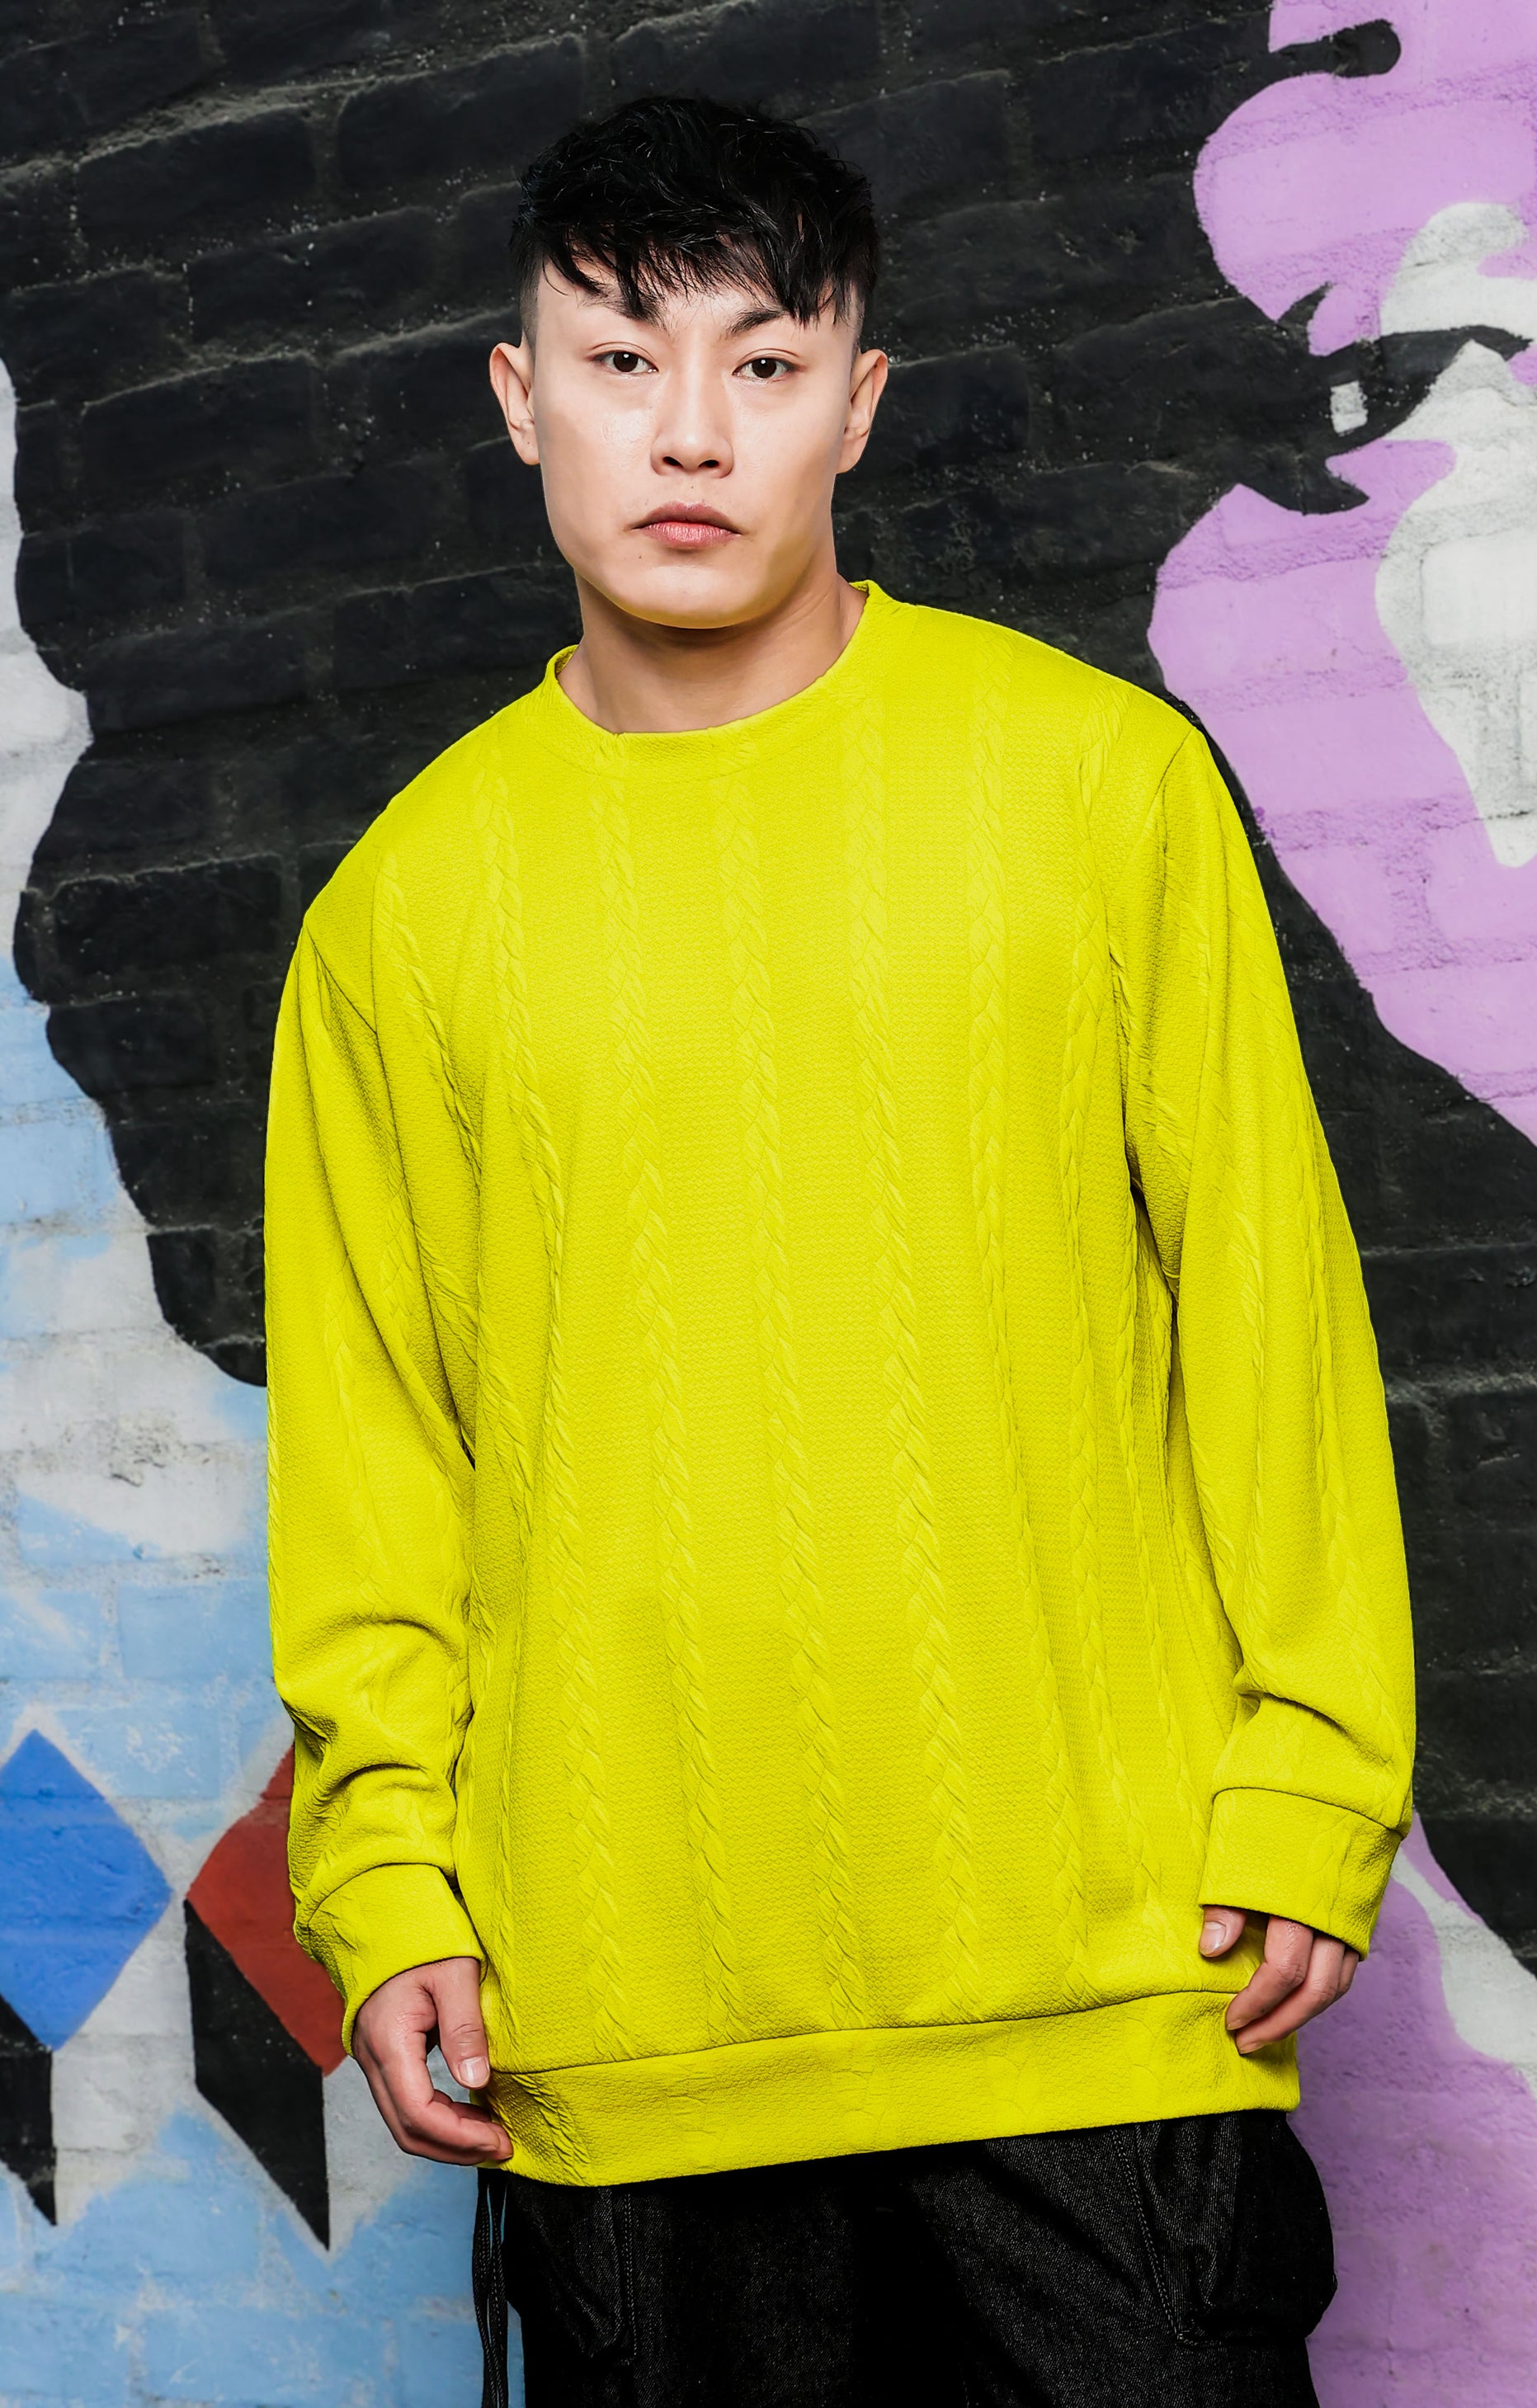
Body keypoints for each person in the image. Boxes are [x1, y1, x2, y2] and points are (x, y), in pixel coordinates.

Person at [264, 92, 1415, 2408]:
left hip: (1106, 2003)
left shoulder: (1095, 785)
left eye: (765, 363)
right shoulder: (398, 916)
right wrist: (383, 1883)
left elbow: (1268, 1316)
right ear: (518, 401)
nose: (690, 431)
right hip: (630, 2038)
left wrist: (1314, 1781)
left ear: (858, 405)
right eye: (619, 361)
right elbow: (378, 1461)